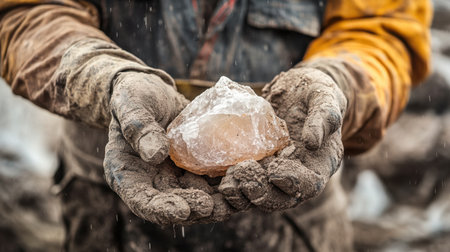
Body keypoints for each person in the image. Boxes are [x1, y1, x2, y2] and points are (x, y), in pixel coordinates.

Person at [0, 0, 431, 251]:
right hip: (107, 200)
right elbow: (28, 12)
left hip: (293, 208)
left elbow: (384, 29)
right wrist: (105, 80)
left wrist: (338, 82)